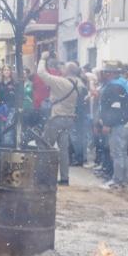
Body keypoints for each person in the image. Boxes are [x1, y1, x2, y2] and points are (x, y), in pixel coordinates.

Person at [37, 54, 85, 186]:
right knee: (64, 150)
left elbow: (41, 73)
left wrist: (43, 58)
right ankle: (64, 178)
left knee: (44, 146)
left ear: (68, 71)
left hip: (57, 117)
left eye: (63, 68)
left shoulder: (62, 82)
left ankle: (43, 176)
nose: (61, 69)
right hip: (69, 119)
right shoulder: (80, 84)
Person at [97, 61, 128, 190]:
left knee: (117, 153)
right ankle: (124, 179)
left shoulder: (114, 87)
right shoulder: (124, 84)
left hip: (118, 124)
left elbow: (115, 108)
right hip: (125, 122)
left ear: (111, 73)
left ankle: (117, 180)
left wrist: (107, 123)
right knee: (122, 152)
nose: (104, 74)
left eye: (106, 72)